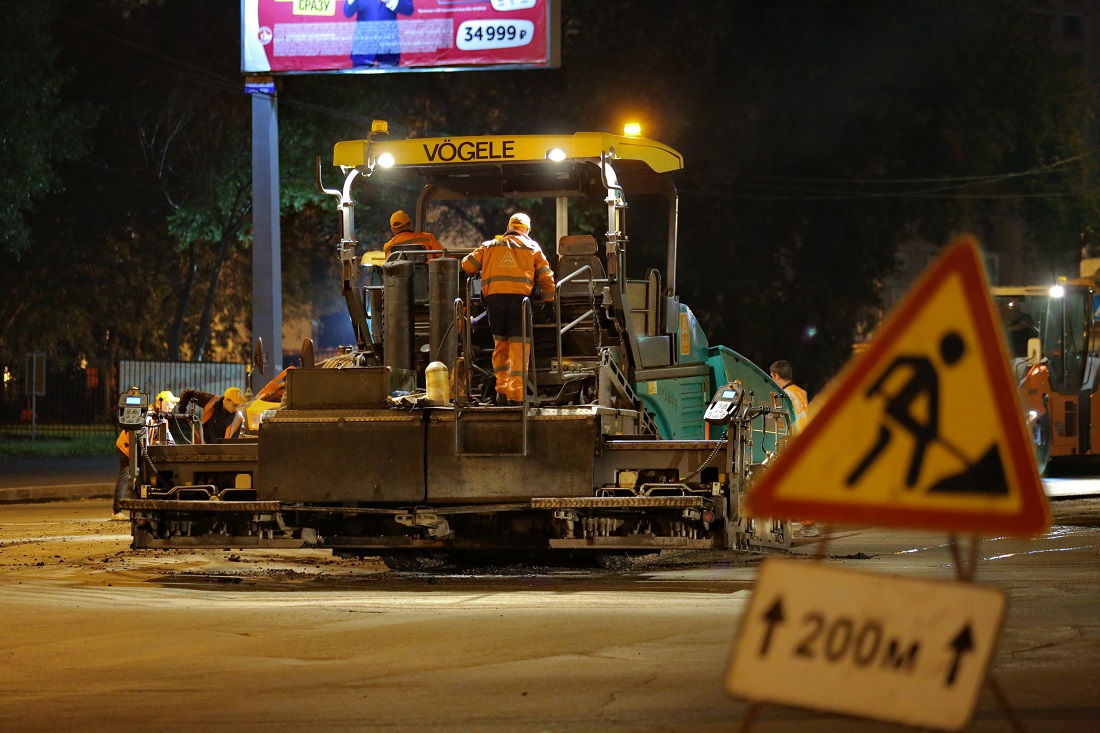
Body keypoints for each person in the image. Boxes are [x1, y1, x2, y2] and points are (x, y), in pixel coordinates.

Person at [461, 213, 556, 405]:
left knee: (501, 346)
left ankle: (502, 392)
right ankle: (516, 396)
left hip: (494, 303)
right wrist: (549, 300)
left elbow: (467, 265)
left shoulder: (490, 246)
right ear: (527, 229)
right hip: (519, 303)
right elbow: (546, 276)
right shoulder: (532, 247)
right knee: (519, 348)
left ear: (509, 227)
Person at [769, 359, 816, 537]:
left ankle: (809, 525)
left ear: (777, 376)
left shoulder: (785, 396)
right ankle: (802, 523)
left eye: (772, 377)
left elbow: (784, 421)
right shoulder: (800, 392)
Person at [343, 0, 414, 68]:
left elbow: (409, 9)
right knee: (360, 80)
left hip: (388, 47)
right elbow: (348, 12)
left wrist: (391, 1)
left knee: (389, 80)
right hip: (363, 47)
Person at [178, 387, 246, 444]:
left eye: (238, 405)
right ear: (225, 400)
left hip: (221, 453)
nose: (236, 408)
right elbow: (187, 393)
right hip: (202, 446)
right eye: (234, 405)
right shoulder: (210, 400)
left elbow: (232, 445)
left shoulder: (237, 419)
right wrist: (182, 412)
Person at [379, 210, 443, 261]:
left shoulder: (388, 247)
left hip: (401, 277)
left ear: (393, 230)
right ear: (410, 224)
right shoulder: (427, 238)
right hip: (426, 276)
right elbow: (443, 256)